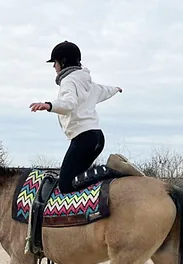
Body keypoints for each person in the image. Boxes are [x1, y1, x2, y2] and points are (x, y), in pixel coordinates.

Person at [29, 41, 124, 193]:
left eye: (55, 62)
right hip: (97, 137)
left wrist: (49, 105)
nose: (54, 66)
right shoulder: (86, 81)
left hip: (83, 138)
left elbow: (69, 103)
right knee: (78, 179)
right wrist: (115, 89)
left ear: (63, 62)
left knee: (65, 184)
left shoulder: (69, 81)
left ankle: (110, 171)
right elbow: (103, 90)